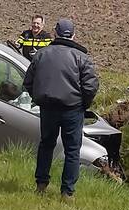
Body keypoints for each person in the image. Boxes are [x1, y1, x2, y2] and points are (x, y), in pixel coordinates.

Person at [23, 19, 99, 199]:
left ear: (55, 34)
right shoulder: (82, 57)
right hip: (72, 110)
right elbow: (91, 86)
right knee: (72, 150)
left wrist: (39, 98)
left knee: (46, 145)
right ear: (73, 35)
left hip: (48, 108)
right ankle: (67, 192)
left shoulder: (41, 54)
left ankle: (41, 184)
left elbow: (28, 82)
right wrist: (83, 104)